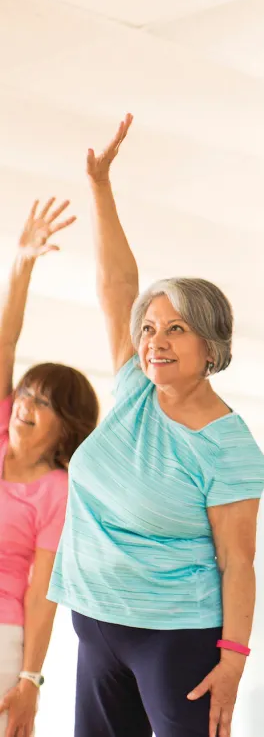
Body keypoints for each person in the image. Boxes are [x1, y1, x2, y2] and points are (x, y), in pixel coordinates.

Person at [47, 114, 264, 737]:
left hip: (175, 636)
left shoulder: (229, 445)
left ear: (211, 345)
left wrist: (235, 658)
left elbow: (239, 562)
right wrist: (99, 186)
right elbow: (117, 285)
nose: (155, 342)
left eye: (176, 329)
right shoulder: (130, 391)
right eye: (150, 328)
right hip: (94, 623)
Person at [0, 199, 100, 737]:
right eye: (25, 395)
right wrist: (21, 264)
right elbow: (4, 342)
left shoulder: (56, 491)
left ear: (68, 429)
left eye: (43, 405)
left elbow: (43, 590)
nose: (24, 407)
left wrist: (31, 680)